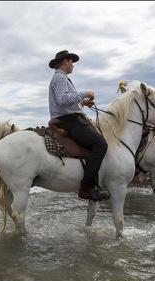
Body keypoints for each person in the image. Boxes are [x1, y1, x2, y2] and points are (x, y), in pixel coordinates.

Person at [48, 50, 110, 201]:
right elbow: (63, 100)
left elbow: (66, 99)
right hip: (69, 120)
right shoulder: (60, 78)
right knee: (100, 144)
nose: (73, 65)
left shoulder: (61, 78)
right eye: (71, 61)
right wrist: (85, 93)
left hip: (69, 117)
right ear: (65, 62)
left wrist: (83, 103)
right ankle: (87, 187)